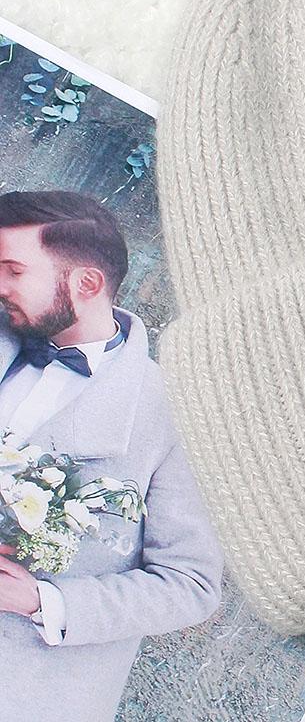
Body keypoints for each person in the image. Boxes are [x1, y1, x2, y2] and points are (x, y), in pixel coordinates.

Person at [0, 190, 224, 722]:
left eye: (13, 271)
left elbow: (190, 585)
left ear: (86, 283)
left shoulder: (175, 413)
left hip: (27, 690)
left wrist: (44, 602)